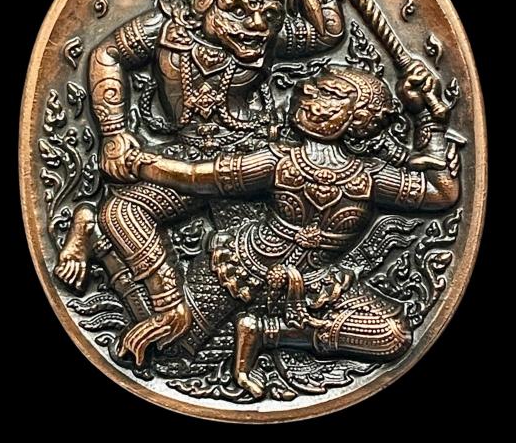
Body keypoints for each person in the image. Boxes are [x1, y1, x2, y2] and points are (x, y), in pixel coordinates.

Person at [54, 0, 346, 357]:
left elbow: (328, 33)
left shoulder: (268, 42)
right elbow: (106, 54)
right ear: (202, 4)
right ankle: (168, 306)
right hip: (187, 156)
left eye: (269, 14)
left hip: (251, 167)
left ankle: (225, 328)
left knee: (261, 264)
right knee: (124, 211)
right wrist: (113, 133)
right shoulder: (163, 30)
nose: (257, 25)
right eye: (238, 10)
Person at [118, 62, 461, 395]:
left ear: (358, 117)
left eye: (330, 93)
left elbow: (441, 194)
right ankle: (110, 259)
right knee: (169, 351)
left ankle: (266, 333)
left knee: (394, 336)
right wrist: (140, 162)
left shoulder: (369, 177)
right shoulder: (278, 161)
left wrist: (427, 117)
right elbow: (196, 177)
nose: (308, 91)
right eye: (315, 86)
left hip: (315, 284)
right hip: (243, 268)